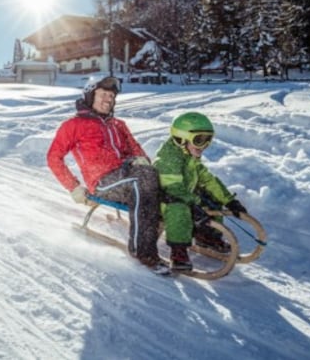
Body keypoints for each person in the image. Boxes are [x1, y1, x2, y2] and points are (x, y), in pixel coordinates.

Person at [47, 76, 168, 273]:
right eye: (103, 95)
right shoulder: (73, 125)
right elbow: (54, 157)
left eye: (111, 97)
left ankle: (182, 233)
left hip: (128, 174)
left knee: (159, 177)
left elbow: (137, 151)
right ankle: (143, 251)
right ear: (89, 96)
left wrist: (141, 160)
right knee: (142, 179)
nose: (108, 100)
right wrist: (74, 187)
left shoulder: (117, 124)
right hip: (103, 181)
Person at [154, 112, 249, 271]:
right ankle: (178, 251)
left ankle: (207, 236)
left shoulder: (190, 155)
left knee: (211, 199)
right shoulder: (168, 158)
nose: (203, 146)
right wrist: (194, 205)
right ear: (180, 139)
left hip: (184, 197)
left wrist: (229, 200)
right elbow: (173, 188)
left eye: (207, 140)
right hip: (163, 202)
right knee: (180, 209)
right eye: (199, 140)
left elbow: (207, 179)